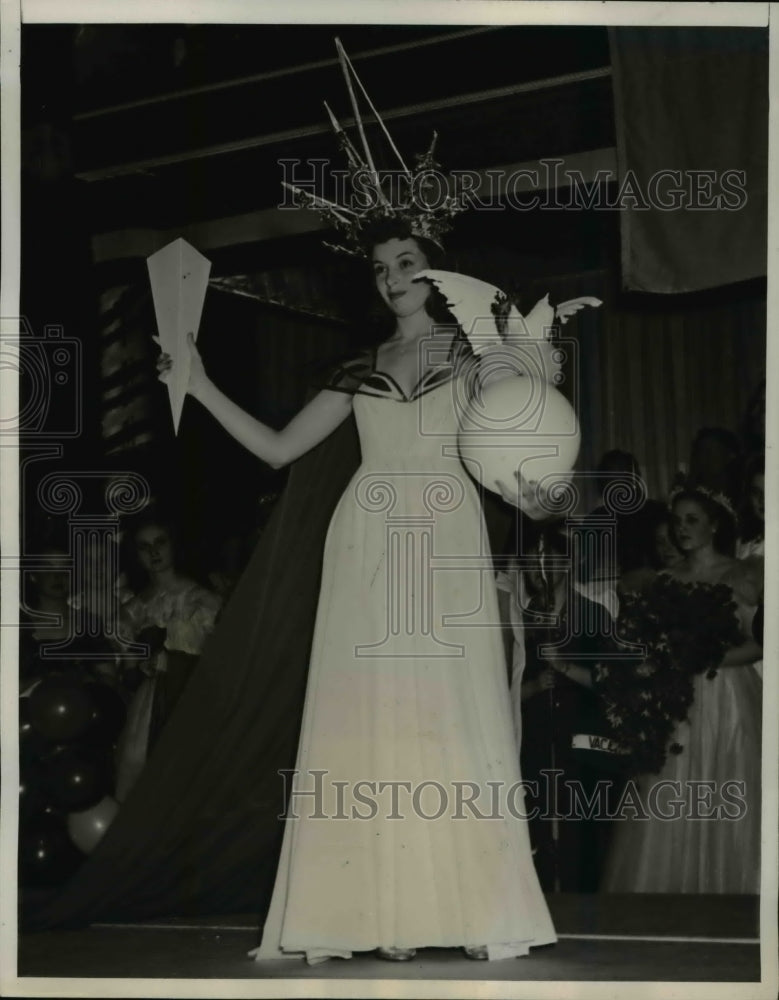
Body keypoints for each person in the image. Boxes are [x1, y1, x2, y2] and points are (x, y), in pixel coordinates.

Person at [601, 485, 762, 894]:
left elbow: (760, 643)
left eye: (692, 520)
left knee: (725, 781)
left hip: (726, 697)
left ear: (714, 524)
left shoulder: (742, 575)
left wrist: (708, 661)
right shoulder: (666, 580)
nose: (682, 529)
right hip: (676, 700)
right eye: (677, 521)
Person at [111, 516, 222, 801]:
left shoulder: (202, 599)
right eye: (144, 546)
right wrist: (136, 663)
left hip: (196, 692)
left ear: (174, 545)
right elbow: (125, 667)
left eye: (160, 542)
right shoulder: (133, 608)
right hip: (152, 699)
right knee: (142, 767)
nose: (154, 552)